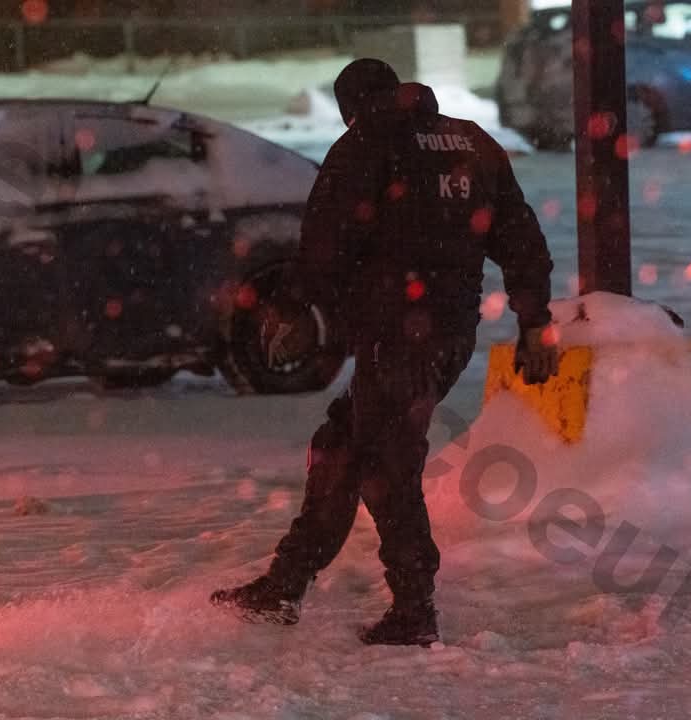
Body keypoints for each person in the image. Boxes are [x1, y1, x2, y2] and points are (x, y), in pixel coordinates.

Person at [211, 59, 557, 646]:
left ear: (352, 107)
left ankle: (414, 611)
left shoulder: (364, 145)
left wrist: (294, 310)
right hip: (446, 336)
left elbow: (324, 243)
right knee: (343, 447)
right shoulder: (471, 143)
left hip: (395, 336)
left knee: (383, 466)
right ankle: (285, 586)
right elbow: (521, 239)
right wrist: (534, 320)